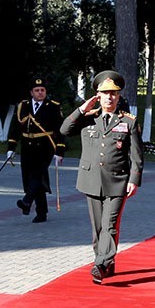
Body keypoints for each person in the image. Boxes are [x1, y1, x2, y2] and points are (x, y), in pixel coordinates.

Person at [60, 70, 143, 284]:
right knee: (98, 228)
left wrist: (134, 180)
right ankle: (106, 260)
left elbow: (136, 155)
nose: (109, 97)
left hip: (117, 181)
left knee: (110, 224)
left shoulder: (128, 121)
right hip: (92, 180)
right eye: (105, 93)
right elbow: (64, 129)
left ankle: (101, 264)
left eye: (113, 93)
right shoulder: (89, 118)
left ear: (118, 96)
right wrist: (81, 109)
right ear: (97, 95)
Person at [6, 76, 65, 224]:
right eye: (37, 90)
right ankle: (41, 212)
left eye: (42, 90)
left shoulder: (53, 106)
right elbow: (15, 128)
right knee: (29, 178)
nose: (40, 93)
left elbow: (60, 130)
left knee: (38, 176)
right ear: (31, 92)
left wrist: (60, 151)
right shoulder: (23, 106)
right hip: (27, 146)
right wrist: (11, 148)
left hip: (45, 146)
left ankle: (27, 201)